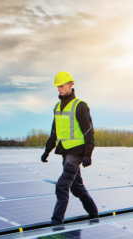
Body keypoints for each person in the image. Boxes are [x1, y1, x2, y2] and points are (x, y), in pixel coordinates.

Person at [41, 71, 98, 226]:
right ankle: (94, 213)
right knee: (76, 187)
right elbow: (54, 131)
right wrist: (47, 150)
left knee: (62, 185)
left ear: (71, 85)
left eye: (62, 85)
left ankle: (56, 223)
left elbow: (88, 131)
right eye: (57, 86)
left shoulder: (80, 106)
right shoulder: (57, 107)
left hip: (77, 152)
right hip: (65, 151)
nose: (59, 89)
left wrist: (88, 154)